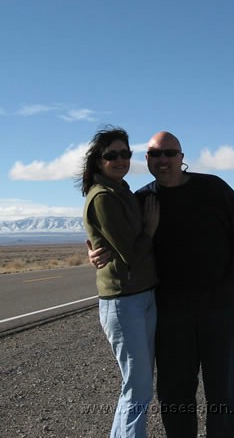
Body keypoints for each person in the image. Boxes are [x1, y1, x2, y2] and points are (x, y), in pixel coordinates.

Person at [90, 131, 234, 438]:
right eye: (155, 154)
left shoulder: (214, 188)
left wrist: (232, 285)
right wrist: (95, 250)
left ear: (182, 158)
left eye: (170, 153)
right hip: (170, 314)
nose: (163, 159)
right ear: (147, 160)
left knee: (225, 392)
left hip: (221, 310)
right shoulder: (142, 200)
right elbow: (119, 238)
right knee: (175, 395)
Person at [80, 126, 160, 438]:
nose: (120, 159)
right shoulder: (102, 197)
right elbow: (131, 253)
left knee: (137, 388)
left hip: (142, 295)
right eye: (111, 155)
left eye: (124, 153)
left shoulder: (122, 191)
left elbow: (120, 244)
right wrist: (150, 230)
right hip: (123, 301)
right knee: (138, 390)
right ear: (98, 161)